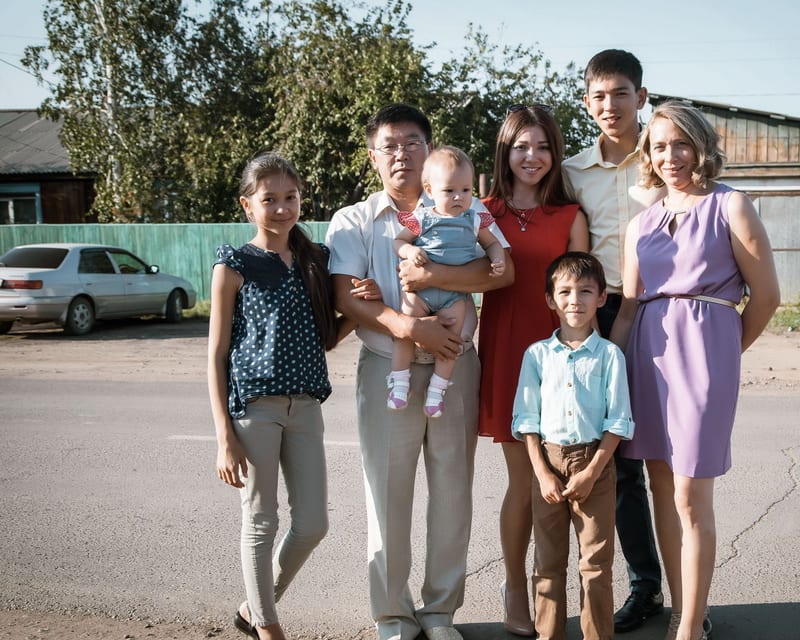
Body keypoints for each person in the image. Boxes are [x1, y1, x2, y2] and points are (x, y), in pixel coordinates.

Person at [325, 103, 513, 640]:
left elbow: (501, 273)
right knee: (387, 494)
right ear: (373, 156)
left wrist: (436, 279)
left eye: (412, 142)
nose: (402, 153)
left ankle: (438, 613)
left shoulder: (465, 207)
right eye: (389, 145)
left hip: (456, 362)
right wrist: (411, 329)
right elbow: (346, 297)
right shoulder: (355, 220)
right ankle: (392, 615)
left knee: (453, 492)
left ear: (429, 151)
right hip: (389, 364)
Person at [610, 100, 780, 640]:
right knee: (661, 486)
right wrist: (607, 374)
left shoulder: (731, 205)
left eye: (680, 143)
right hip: (647, 356)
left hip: (705, 356)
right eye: (659, 146)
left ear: (701, 145)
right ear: (648, 154)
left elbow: (766, 297)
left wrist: (723, 352)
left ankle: (687, 629)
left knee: (689, 493)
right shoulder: (640, 224)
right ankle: (687, 610)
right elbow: (629, 308)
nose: (670, 156)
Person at [208, 152, 377, 640]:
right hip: (254, 410)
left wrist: (358, 308)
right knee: (261, 520)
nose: (282, 208)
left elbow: (324, 337)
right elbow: (216, 355)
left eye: (290, 197)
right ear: (247, 205)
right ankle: (268, 626)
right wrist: (224, 437)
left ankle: (253, 608)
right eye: (269, 200)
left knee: (313, 524)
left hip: (305, 407)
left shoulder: (315, 259)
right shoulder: (234, 265)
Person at [562, 48, 666, 634]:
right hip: (600, 316)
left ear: (641, 97)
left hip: (662, 313)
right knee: (618, 461)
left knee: (668, 457)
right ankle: (644, 586)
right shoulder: (573, 172)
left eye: (621, 93)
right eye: (599, 96)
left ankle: (691, 591)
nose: (610, 105)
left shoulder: (666, 155)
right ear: (586, 102)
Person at [477, 104, 588, 636]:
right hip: (506, 357)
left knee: (566, 482)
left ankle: (564, 592)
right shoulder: (481, 212)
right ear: (505, 151)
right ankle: (516, 589)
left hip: (559, 360)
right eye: (522, 146)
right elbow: (448, 269)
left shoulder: (571, 216)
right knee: (524, 481)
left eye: (543, 147)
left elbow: (584, 297)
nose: (532, 156)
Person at [512, 251, 634, 640]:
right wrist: (542, 473)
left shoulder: (610, 356)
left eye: (585, 291)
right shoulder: (537, 355)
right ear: (550, 299)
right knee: (547, 564)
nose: (574, 300)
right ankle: (548, 634)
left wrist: (592, 472)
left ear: (601, 297)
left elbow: (618, 421)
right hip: (547, 464)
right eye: (564, 292)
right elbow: (526, 421)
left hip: (594, 464)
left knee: (595, 565)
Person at [391, 145, 506, 418]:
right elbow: (398, 242)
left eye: (466, 190)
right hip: (419, 293)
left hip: (454, 296)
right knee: (405, 332)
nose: (458, 197)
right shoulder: (421, 217)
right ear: (429, 190)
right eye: (449, 190)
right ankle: (399, 381)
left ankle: (438, 389)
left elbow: (493, 244)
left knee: (451, 343)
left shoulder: (474, 219)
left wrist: (497, 258)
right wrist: (410, 251)